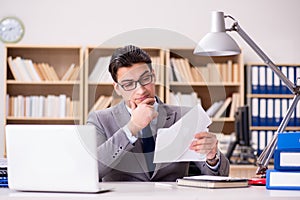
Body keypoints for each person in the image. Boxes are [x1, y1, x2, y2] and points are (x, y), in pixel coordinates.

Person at [87, 45, 230, 181]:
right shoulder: (100, 120)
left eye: (145, 79)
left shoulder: (185, 117)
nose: (141, 90)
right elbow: (91, 170)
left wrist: (212, 157)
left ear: (153, 76)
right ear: (117, 88)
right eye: (129, 84)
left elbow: (219, 176)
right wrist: (132, 127)